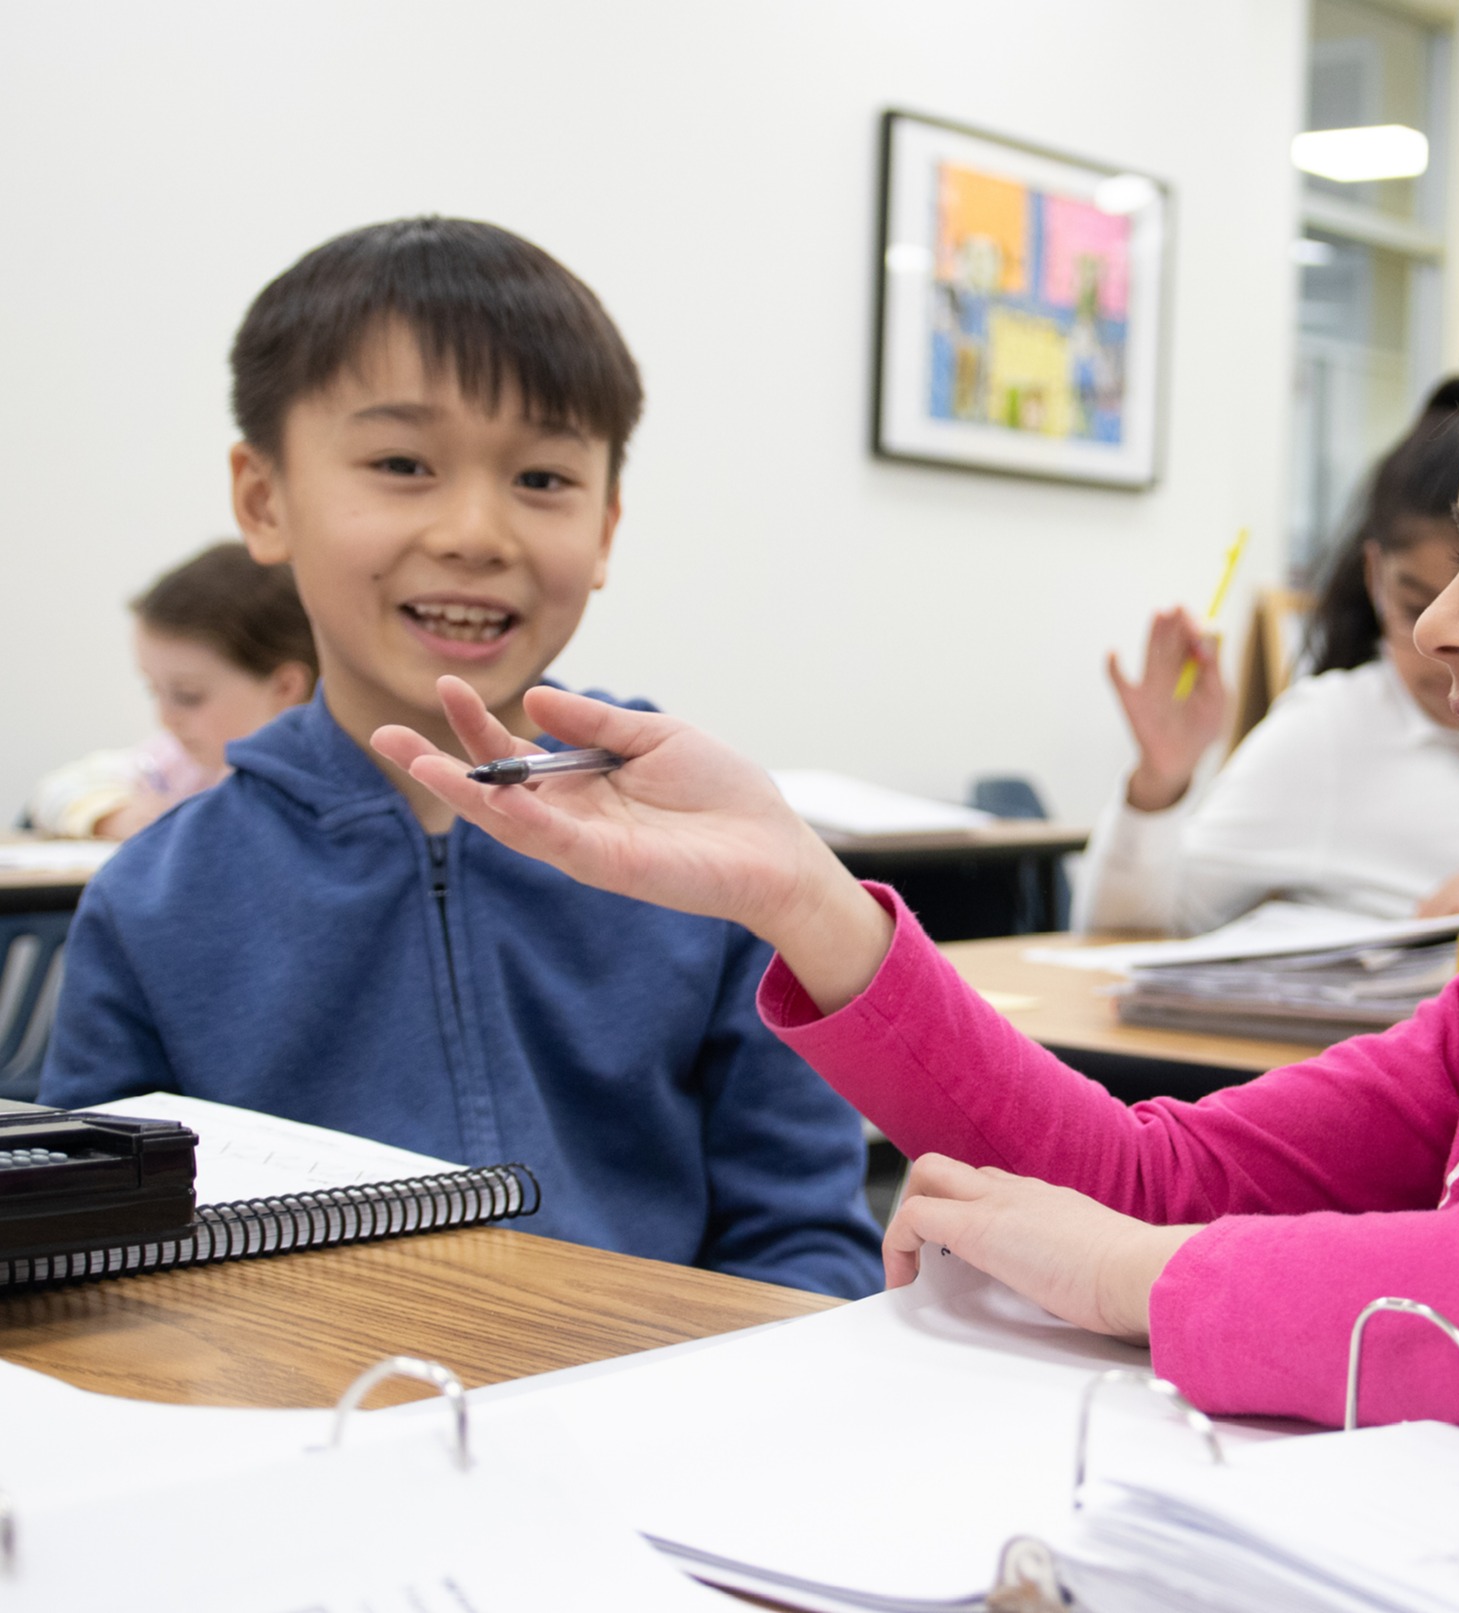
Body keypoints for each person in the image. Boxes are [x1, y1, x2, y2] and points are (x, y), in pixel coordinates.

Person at [376, 221, 1459, 1469]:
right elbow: (1148, 1180)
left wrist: (1148, 1287)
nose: (1439, 624)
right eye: (1457, 550)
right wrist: (802, 896)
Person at [40, 217, 883, 1300]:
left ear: (606, 526)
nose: (476, 531)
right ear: (264, 499)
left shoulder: (712, 857)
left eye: (542, 477)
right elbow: (95, 1274)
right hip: (305, 1398)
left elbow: (808, 1242)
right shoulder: (156, 900)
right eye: (402, 464)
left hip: (667, 1390)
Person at [1075, 398, 1459, 935]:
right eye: (1414, 607)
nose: (1439, 644)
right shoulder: (1331, 731)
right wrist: (1159, 782)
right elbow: (1124, 932)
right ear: (1374, 577)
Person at [26, 543, 314, 839]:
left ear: (285, 687)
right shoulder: (177, 763)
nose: (165, 718)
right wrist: (116, 817)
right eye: (153, 690)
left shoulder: (317, 782)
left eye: (188, 695)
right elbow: (56, 790)